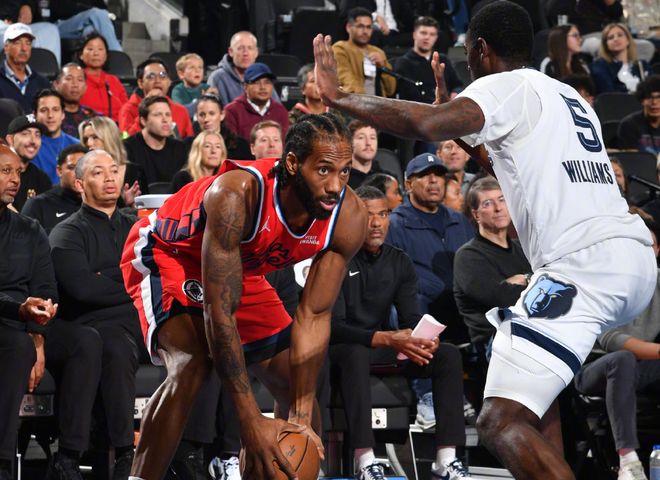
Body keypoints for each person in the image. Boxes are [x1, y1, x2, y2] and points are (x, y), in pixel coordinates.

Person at [312, 1, 657, 476]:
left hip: (582, 268)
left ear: (480, 50)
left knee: (498, 420)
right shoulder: (567, 96)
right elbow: (508, 167)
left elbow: (423, 125)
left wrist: (338, 97)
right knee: (533, 403)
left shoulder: (502, 84)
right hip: (635, 259)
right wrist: (463, 128)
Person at [120, 113, 367, 480]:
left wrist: (300, 416)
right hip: (170, 252)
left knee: (296, 382)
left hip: (239, 267)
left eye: (344, 172)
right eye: (324, 170)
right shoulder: (237, 194)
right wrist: (250, 420)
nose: (335, 185)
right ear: (293, 163)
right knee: (193, 363)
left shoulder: (348, 216)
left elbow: (314, 315)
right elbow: (220, 315)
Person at [330, 185, 472, 480]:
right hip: (344, 348)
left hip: (383, 346)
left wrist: (424, 339)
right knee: (355, 352)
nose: (377, 223)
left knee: (446, 355)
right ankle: (365, 459)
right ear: (352, 217)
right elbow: (333, 326)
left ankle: (445, 460)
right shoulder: (336, 258)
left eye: (383, 214)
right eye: (369, 215)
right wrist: (385, 338)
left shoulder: (399, 260)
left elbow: (411, 317)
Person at [0, 143, 102, 480]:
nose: (15, 180)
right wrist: (21, 314)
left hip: (27, 322)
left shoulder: (29, 229)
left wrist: (39, 336)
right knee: (17, 347)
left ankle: (69, 457)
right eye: (5, 171)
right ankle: (3, 461)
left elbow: (45, 287)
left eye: (18, 172)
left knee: (85, 340)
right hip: (7, 321)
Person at [49, 149, 143, 480]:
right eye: (98, 172)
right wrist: (128, 281)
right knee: (112, 346)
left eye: (114, 170)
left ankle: (191, 454)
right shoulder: (67, 232)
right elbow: (83, 289)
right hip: (92, 326)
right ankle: (121, 454)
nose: (109, 178)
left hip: (136, 326)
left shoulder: (137, 227)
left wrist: (107, 277)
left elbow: (153, 278)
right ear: (79, 184)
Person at [386, 153, 474, 342]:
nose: (434, 180)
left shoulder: (459, 221)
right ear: (409, 184)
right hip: (424, 311)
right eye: (425, 175)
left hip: (462, 308)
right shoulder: (395, 225)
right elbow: (393, 280)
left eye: (439, 175)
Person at [453, 176, 532, 348]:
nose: (498, 208)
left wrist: (524, 279)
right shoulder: (468, 256)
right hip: (496, 341)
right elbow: (502, 299)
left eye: (502, 200)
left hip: (535, 329)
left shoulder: (523, 248)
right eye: (487, 203)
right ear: (476, 214)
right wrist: (533, 281)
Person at [118, 57, 194, 138]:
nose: (158, 81)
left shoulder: (181, 111)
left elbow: (189, 143)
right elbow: (124, 139)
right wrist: (144, 111)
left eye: (163, 76)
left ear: (169, 82)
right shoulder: (127, 110)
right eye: (151, 76)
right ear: (140, 83)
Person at [123, 96, 187, 190]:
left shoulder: (180, 148)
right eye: (157, 115)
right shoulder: (127, 148)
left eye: (168, 114)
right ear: (143, 121)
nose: (165, 120)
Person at [395, 16, 463, 104]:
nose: (427, 37)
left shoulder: (443, 59)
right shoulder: (403, 63)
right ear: (414, 35)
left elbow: (457, 85)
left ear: (436, 37)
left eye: (432, 34)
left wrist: (455, 93)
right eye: (423, 33)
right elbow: (408, 96)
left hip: (446, 108)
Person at [79, 116, 145, 205]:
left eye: (95, 137)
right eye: (85, 139)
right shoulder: (82, 174)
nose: (89, 143)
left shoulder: (135, 171)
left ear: (110, 138)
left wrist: (131, 205)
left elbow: (147, 209)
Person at [332, 7, 396, 97]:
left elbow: (391, 89)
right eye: (360, 26)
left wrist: (383, 65)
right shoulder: (340, 48)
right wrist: (364, 101)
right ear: (348, 27)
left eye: (369, 27)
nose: (365, 31)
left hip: (379, 103)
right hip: (354, 102)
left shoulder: (378, 52)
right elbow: (346, 79)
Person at [22, 143, 86, 233]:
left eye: (83, 168)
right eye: (72, 168)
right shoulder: (38, 205)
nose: (78, 173)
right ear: (59, 171)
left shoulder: (99, 205)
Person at [207, 31, 279, 107]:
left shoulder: (263, 77)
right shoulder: (218, 78)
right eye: (240, 48)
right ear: (231, 52)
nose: (245, 53)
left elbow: (277, 109)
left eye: (250, 48)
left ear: (256, 52)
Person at [223, 63, 289, 141]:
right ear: (245, 87)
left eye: (267, 82)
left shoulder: (280, 111)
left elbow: (284, 144)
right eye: (256, 82)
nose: (263, 87)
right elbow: (231, 144)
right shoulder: (232, 111)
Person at [77, 32, 128, 122]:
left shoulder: (113, 80)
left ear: (106, 55)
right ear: (81, 55)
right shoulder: (77, 80)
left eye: (100, 49)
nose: (96, 53)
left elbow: (126, 111)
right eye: (90, 49)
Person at [32, 89, 80, 184]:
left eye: (55, 109)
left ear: (63, 114)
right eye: (44, 110)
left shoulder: (77, 145)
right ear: (35, 115)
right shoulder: (29, 148)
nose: (50, 115)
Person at [4, 114, 51, 210]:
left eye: (37, 135)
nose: (33, 141)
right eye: (25, 134)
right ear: (10, 139)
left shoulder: (42, 179)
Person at [0, 23, 50, 113]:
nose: (24, 48)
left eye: (28, 43)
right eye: (17, 42)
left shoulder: (42, 83)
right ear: (6, 47)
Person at [590, 23, 649, 94]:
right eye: (610, 37)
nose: (616, 39)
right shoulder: (600, 66)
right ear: (606, 44)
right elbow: (607, 92)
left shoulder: (642, 65)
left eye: (620, 35)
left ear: (628, 40)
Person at [192, 93, 252, 160]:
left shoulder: (240, 145)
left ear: (222, 115)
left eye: (211, 114)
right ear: (197, 117)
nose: (206, 119)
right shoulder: (188, 145)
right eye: (202, 115)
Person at [339, 0, 415, 47]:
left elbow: (408, 18)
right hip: (372, 32)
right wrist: (375, 17)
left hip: (395, 33)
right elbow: (347, 13)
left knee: (417, 36)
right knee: (375, 36)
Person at [618, 74, 660, 156]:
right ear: (642, 100)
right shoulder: (629, 125)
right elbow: (634, 159)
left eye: (659, 97)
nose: (654, 102)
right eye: (649, 97)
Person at [53, 63, 97, 138]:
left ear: (85, 87)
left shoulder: (93, 117)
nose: (75, 85)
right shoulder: (49, 116)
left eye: (80, 80)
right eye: (69, 79)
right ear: (56, 85)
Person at [347, 119, 384, 189]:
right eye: (361, 138)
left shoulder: (386, 180)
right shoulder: (342, 179)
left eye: (372, 138)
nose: (368, 143)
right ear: (350, 142)